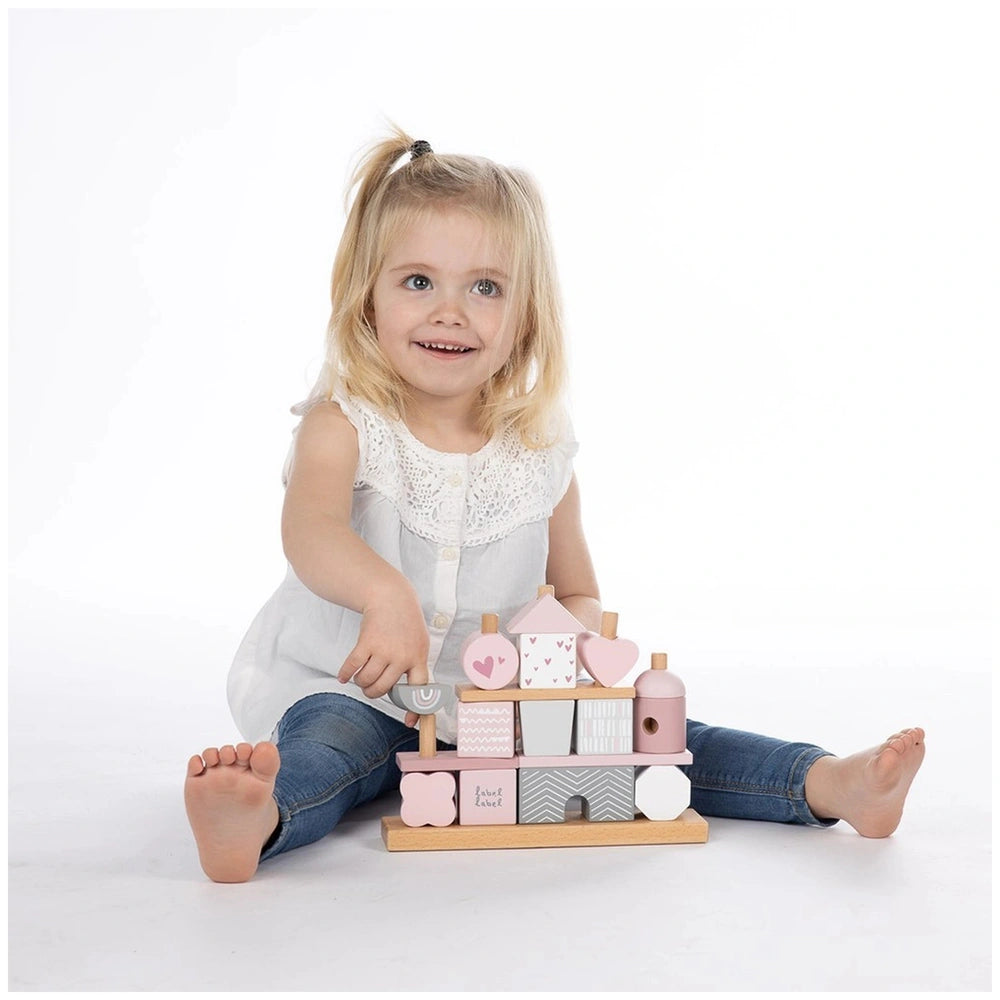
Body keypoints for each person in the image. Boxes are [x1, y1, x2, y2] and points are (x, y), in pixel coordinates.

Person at [184, 130, 925, 883]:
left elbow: (577, 592)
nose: (450, 312)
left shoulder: (539, 454)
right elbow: (309, 531)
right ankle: (258, 819)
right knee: (326, 746)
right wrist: (384, 594)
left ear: (527, 317)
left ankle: (825, 783)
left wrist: (553, 665)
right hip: (355, 692)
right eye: (417, 282)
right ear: (367, 297)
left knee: (653, 734)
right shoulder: (343, 424)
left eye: (485, 288)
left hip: (498, 709)